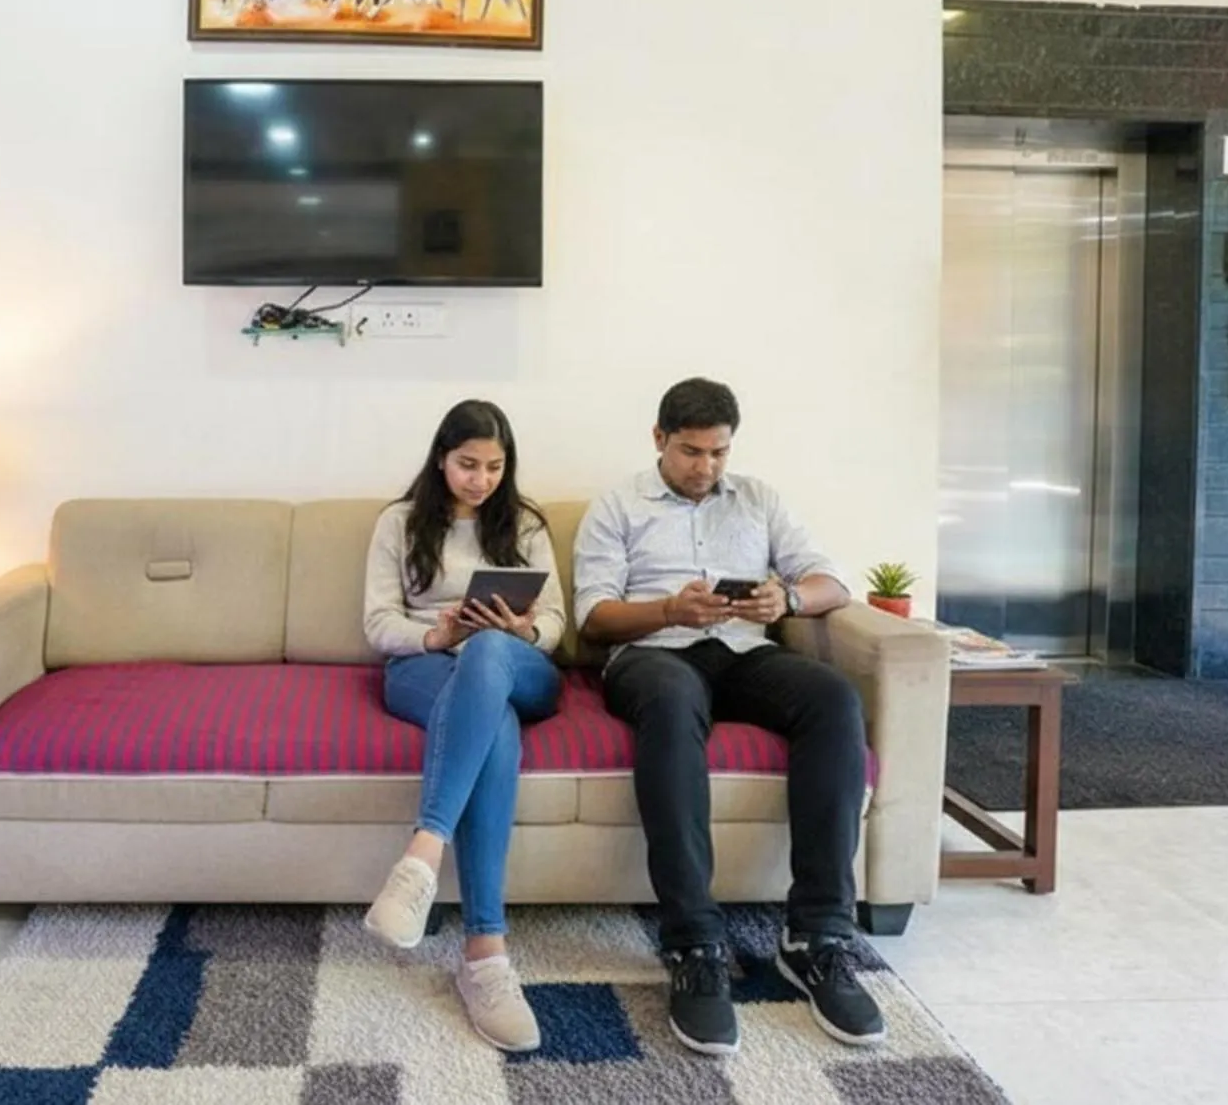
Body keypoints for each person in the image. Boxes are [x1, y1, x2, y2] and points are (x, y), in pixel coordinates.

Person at [572, 377, 884, 1055]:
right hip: (652, 655)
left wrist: (789, 601)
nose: (706, 467)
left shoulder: (759, 498)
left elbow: (833, 580)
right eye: (691, 451)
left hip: (743, 651)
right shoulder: (616, 505)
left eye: (718, 452)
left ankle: (816, 935)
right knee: (673, 698)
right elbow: (593, 618)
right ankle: (693, 940)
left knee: (833, 698)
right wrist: (667, 610)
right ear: (658, 438)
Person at [361, 399, 567, 1052]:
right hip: (426, 665)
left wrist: (519, 629)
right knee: (492, 724)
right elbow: (377, 623)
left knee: (488, 656)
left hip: (517, 662)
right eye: (467, 464)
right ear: (441, 458)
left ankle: (423, 854)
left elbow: (558, 625)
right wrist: (436, 631)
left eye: (494, 467)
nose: (481, 479)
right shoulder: (398, 522)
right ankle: (485, 953)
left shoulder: (527, 524)